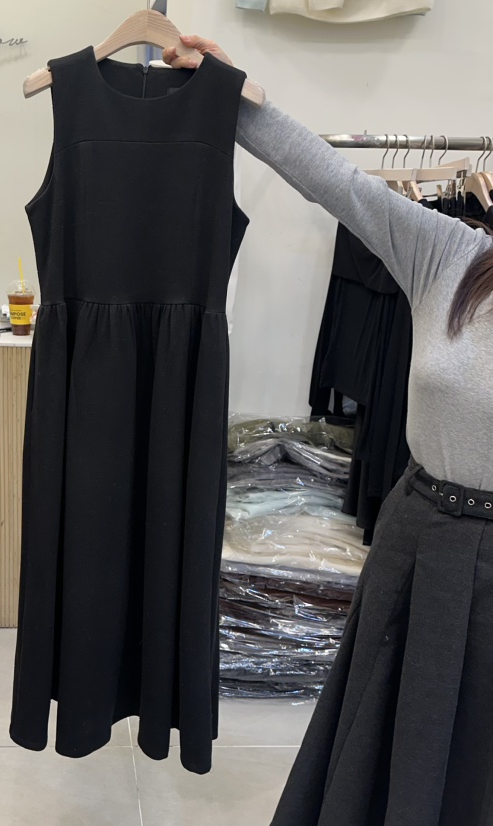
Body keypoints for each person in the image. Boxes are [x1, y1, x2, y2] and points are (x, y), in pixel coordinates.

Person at [165, 35, 493, 826]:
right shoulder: (451, 256)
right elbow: (334, 180)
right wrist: (237, 97)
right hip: (419, 541)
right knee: (386, 747)